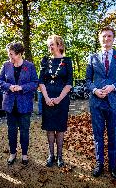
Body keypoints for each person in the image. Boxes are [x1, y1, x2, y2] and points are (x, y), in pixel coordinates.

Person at [85, 26, 116, 179]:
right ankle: (99, 164)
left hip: (114, 103)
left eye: (109, 36)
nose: (106, 39)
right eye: (104, 36)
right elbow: (87, 80)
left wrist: (113, 86)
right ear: (100, 39)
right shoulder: (92, 57)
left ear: (113, 38)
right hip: (97, 103)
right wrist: (94, 90)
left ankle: (113, 165)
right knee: (97, 135)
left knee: (113, 135)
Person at [0, 42, 38, 166]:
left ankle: (24, 154)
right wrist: (9, 86)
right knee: (11, 130)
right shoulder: (6, 65)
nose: (10, 57)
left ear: (19, 54)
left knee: (25, 130)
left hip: (24, 104)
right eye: (8, 54)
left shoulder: (29, 66)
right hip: (10, 104)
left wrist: (21, 87)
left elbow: (35, 83)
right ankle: (12, 153)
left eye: (12, 54)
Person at [39, 34, 73, 167]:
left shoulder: (67, 61)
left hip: (62, 99)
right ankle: (51, 155)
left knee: (60, 128)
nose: (50, 46)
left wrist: (59, 98)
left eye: (52, 44)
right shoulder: (45, 60)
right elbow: (41, 81)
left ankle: (60, 157)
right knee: (49, 128)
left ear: (59, 45)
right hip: (47, 99)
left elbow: (69, 82)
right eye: (49, 44)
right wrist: (46, 98)